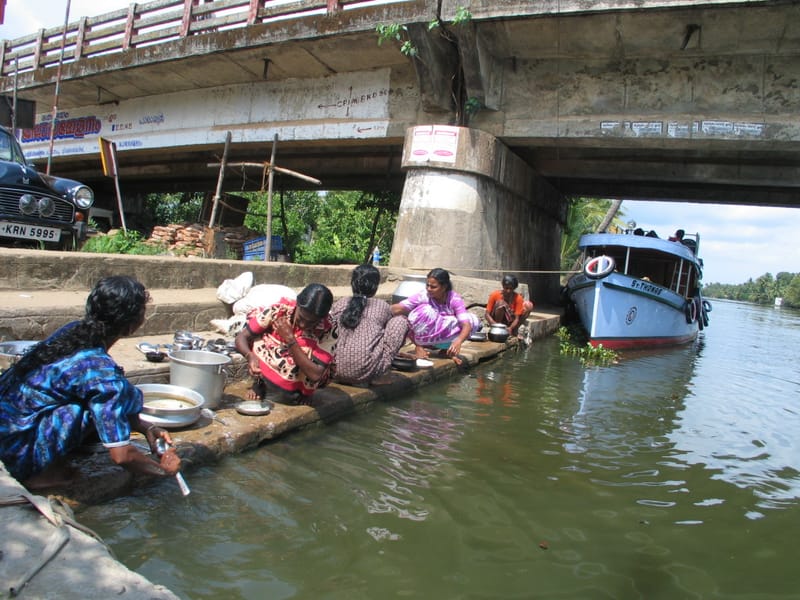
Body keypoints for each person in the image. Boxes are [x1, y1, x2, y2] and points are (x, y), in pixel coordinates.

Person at [0, 276, 181, 490]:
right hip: (14, 449)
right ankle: (38, 473)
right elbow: (122, 456)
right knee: (89, 408)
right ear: (132, 325)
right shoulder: (100, 371)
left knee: (110, 397)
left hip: (9, 423)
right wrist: (164, 470)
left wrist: (145, 426)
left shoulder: (72, 330)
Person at [235, 283, 334, 404]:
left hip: (304, 373)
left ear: (322, 318)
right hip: (275, 361)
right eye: (301, 318)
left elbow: (315, 374)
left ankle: (303, 391)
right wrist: (249, 356)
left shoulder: (329, 329)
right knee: (258, 336)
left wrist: (290, 339)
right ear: (297, 305)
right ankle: (260, 384)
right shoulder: (279, 310)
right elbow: (242, 337)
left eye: (311, 322)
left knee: (321, 359)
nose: (303, 325)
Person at [329, 264, 409, 385]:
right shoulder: (382, 306)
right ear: (375, 286)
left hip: (334, 370)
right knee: (400, 321)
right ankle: (382, 375)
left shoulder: (340, 303)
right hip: (366, 372)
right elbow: (390, 332)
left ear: (353, 283)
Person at [390, 268, 481, 364]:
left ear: (444, 287)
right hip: (424, 339)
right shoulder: (423, 295)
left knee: (472, 320)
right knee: (424, 311)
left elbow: (466, 325)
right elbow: (399, 307)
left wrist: (458, 342)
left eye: (433, 287)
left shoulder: (454, 299)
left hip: (444, 337)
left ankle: (446, 349)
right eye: (427, 285)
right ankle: (422, 345)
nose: (429, 289)